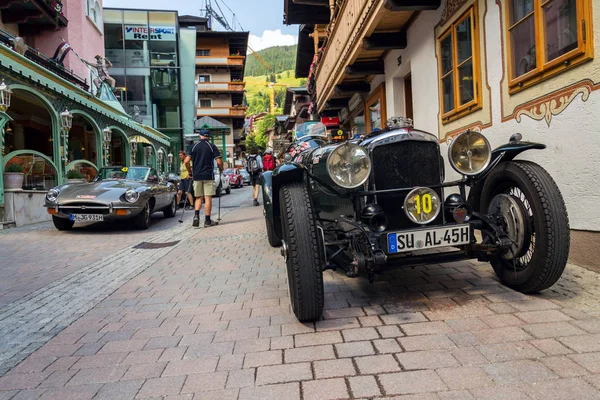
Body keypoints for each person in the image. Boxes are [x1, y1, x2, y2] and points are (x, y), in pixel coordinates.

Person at [184, 129, 223, 228]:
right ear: (208, 137)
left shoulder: (194, 146)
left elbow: (186, 161)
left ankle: (196, 216)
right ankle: (207, 220)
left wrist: (190, 171)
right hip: (208, 175)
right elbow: (219, 162)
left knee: (198, 197)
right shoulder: (212, 146)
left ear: (200, 136)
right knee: (207, 197)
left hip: (196, 176)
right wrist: (221, 169)